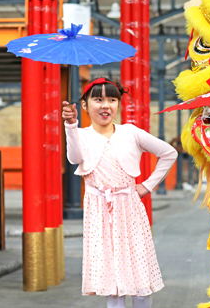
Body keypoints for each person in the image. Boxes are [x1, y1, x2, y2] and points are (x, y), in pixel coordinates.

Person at [62, 77, 178, 308]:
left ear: (118, 104)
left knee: (140, 277)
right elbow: (74, 158)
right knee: (112, 284)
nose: (106, 105)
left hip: (130, 210)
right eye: (98, 99)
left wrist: (146, 186)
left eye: (112, 99)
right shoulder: (82, 134)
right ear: (84, 105)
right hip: (99, 213)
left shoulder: (130, 133)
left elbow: (169, 153)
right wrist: (71, 126)